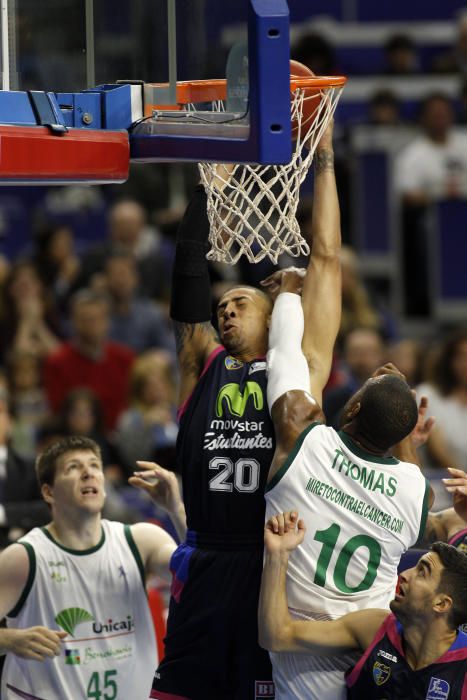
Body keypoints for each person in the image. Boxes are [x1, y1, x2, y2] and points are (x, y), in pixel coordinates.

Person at [150, 122, 340, 700]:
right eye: (222, 307)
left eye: (241, 303)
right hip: (206, 561)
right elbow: (187, 272)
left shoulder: (301, 366)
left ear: (273, 313)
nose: (226, 312)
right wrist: (212, 185)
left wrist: (324, 156)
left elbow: (327, 259)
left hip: (271, 565)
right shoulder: (200, 365)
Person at [262, 273, 431, 697]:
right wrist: (400, 411)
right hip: (375, 667)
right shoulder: (416, 492)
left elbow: (283, 353)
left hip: (297, 659)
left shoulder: (303, 440)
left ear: (352, 406)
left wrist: (286, 296)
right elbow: (406, 465)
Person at [0, 435, 186, 700]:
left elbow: (203, 580)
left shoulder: (140, 540)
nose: (88, 473)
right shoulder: (25, 557)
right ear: (48, 492)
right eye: (73, 467)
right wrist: (9, 640)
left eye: (94, 466)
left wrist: (176, 510)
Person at [259, 512, 467, 699]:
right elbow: (278, 636)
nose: (404, 574)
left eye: (422, 572)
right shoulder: (373, 628)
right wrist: (277, 555)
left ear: (441, 604)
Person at [43, 290, 134, 431]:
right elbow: (58, 412)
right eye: (86, 319)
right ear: (73, 322)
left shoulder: (125, 359)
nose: (93, 325)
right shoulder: (57, 363)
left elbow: (133, 404)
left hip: (121, 437)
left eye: (98, 318)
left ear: (108, 321)